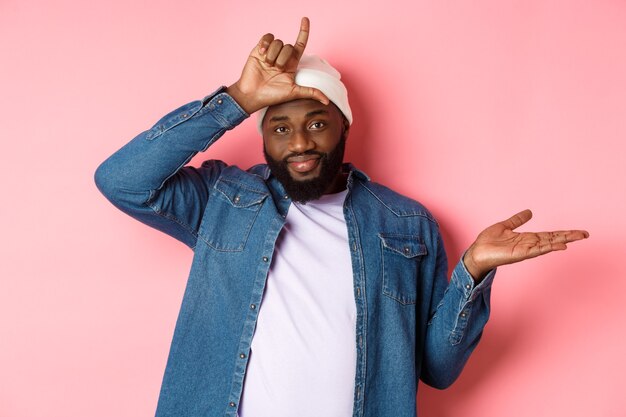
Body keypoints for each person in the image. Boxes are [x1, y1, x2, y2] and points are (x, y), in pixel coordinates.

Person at [94, 17, 588, 417]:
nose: (301, 142)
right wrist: (239, 100)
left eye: (316, 123)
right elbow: (122, 180)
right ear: (263, 136)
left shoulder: (405, 224)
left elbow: (437, 370)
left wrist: (474, 270)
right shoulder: (223, 199)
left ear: (344, 125)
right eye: (280, 127)